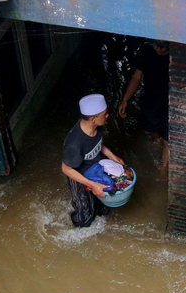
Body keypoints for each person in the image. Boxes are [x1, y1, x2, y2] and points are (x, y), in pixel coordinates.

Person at [62, 94, 125, 228]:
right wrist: (91, 184)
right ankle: (80, 234)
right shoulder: (74, 143)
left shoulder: (98, 126)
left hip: (96, 167)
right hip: (80, 176)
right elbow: (66, 169)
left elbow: (97, 143)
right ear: (93, 119)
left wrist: (111, 155)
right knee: (84, 211)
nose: (107, 116)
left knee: (103, 203)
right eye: (105, 114)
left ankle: (103, 223)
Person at [119, 40, 170, 168]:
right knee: (149, 130)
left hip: (170, 100)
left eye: (162, 47)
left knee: (168, 139)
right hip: (151, 97)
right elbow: (136, 77)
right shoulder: (146, 51)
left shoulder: (176, 56)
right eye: (155, 46)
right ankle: (158, 137)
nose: (158, 50)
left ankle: (163, 169)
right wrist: (125, 100)